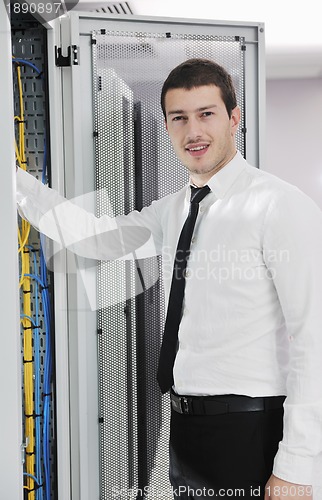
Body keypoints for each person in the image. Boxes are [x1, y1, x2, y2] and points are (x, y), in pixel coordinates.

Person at [16, 58, 322, 499]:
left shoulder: (279, 206)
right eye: (179, 118)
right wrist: (16, 183)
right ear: (167, 127)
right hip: (184, 427)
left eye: (206, 114)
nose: (193, 131)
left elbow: (313, 336)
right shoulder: (174, 208)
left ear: (234, 119)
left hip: (250, 428)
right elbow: (94, 239)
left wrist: (295, 465)